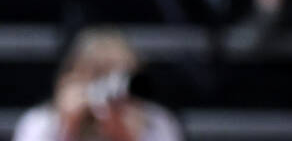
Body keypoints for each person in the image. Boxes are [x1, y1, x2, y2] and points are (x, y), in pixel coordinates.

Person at [13, 28, 183, 141]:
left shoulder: (157, 122)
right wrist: (65, 129)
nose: (110, 87)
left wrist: (128, 136)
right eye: (99, 73)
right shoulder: (40, 122)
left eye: (120, 76)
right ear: (72, 75)